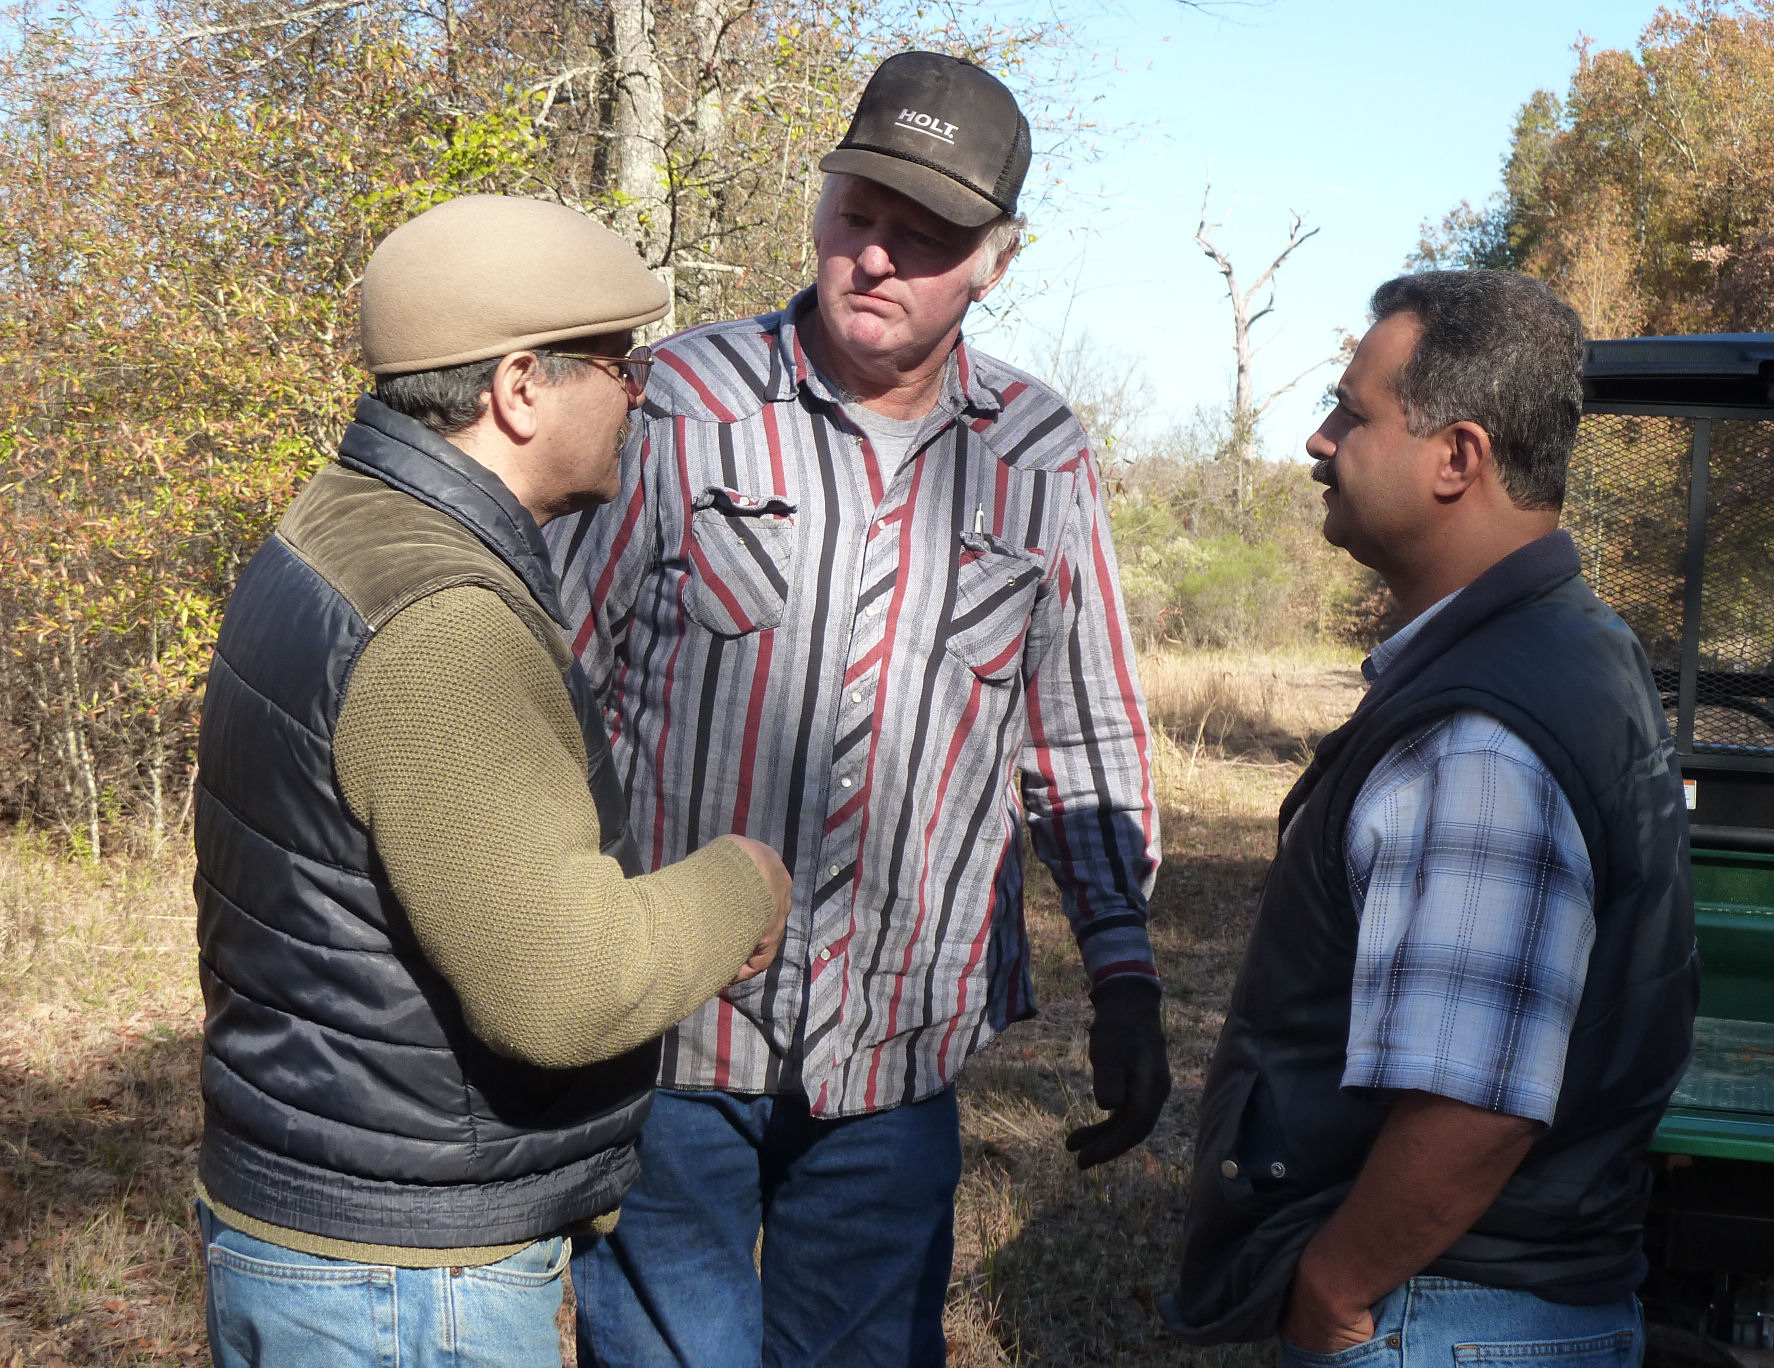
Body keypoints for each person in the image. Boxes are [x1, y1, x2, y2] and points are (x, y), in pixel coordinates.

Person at [548, 50, 1168, 1368]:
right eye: (858, 214)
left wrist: (1123, 973)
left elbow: (1082, 733)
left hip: (898, 1049)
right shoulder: (678, 406)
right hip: (671, 1042)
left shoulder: (1037, 455)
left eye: (925, 235)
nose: (877, 257)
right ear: (821, 207)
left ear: (997, 261)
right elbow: (550, 687)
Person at [190, 194, 792, 1368]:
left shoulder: (341, 525)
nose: (639, 394)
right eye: (619, 365)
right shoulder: (444, 622)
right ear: (520, 388)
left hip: (331, 1227)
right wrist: (744, 884)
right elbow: (562, 987)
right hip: (402, 1288)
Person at [1161, 270, 1699, 1362]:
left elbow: (1476, 1100)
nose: (1320, 441)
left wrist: (1337, 1289)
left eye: (1352, 414)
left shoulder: (1481, 734)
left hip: (1442, 1315)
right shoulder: (1576, 643)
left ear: (1458, 457)